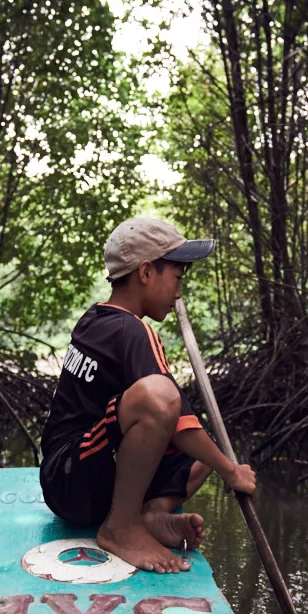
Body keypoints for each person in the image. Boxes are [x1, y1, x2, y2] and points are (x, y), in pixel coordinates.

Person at [40, 217, 257, 574]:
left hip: (71, 480)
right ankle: (121, 527)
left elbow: (182, 425)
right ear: (145, 272)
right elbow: (170, 413)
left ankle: (151, 515)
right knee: (162, 399)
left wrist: (220, 462)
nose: (179, 292)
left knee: (205, 452)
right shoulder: (132, 331)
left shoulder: (95, 318)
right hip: (71, 480)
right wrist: (232, 472)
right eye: (176, 277)